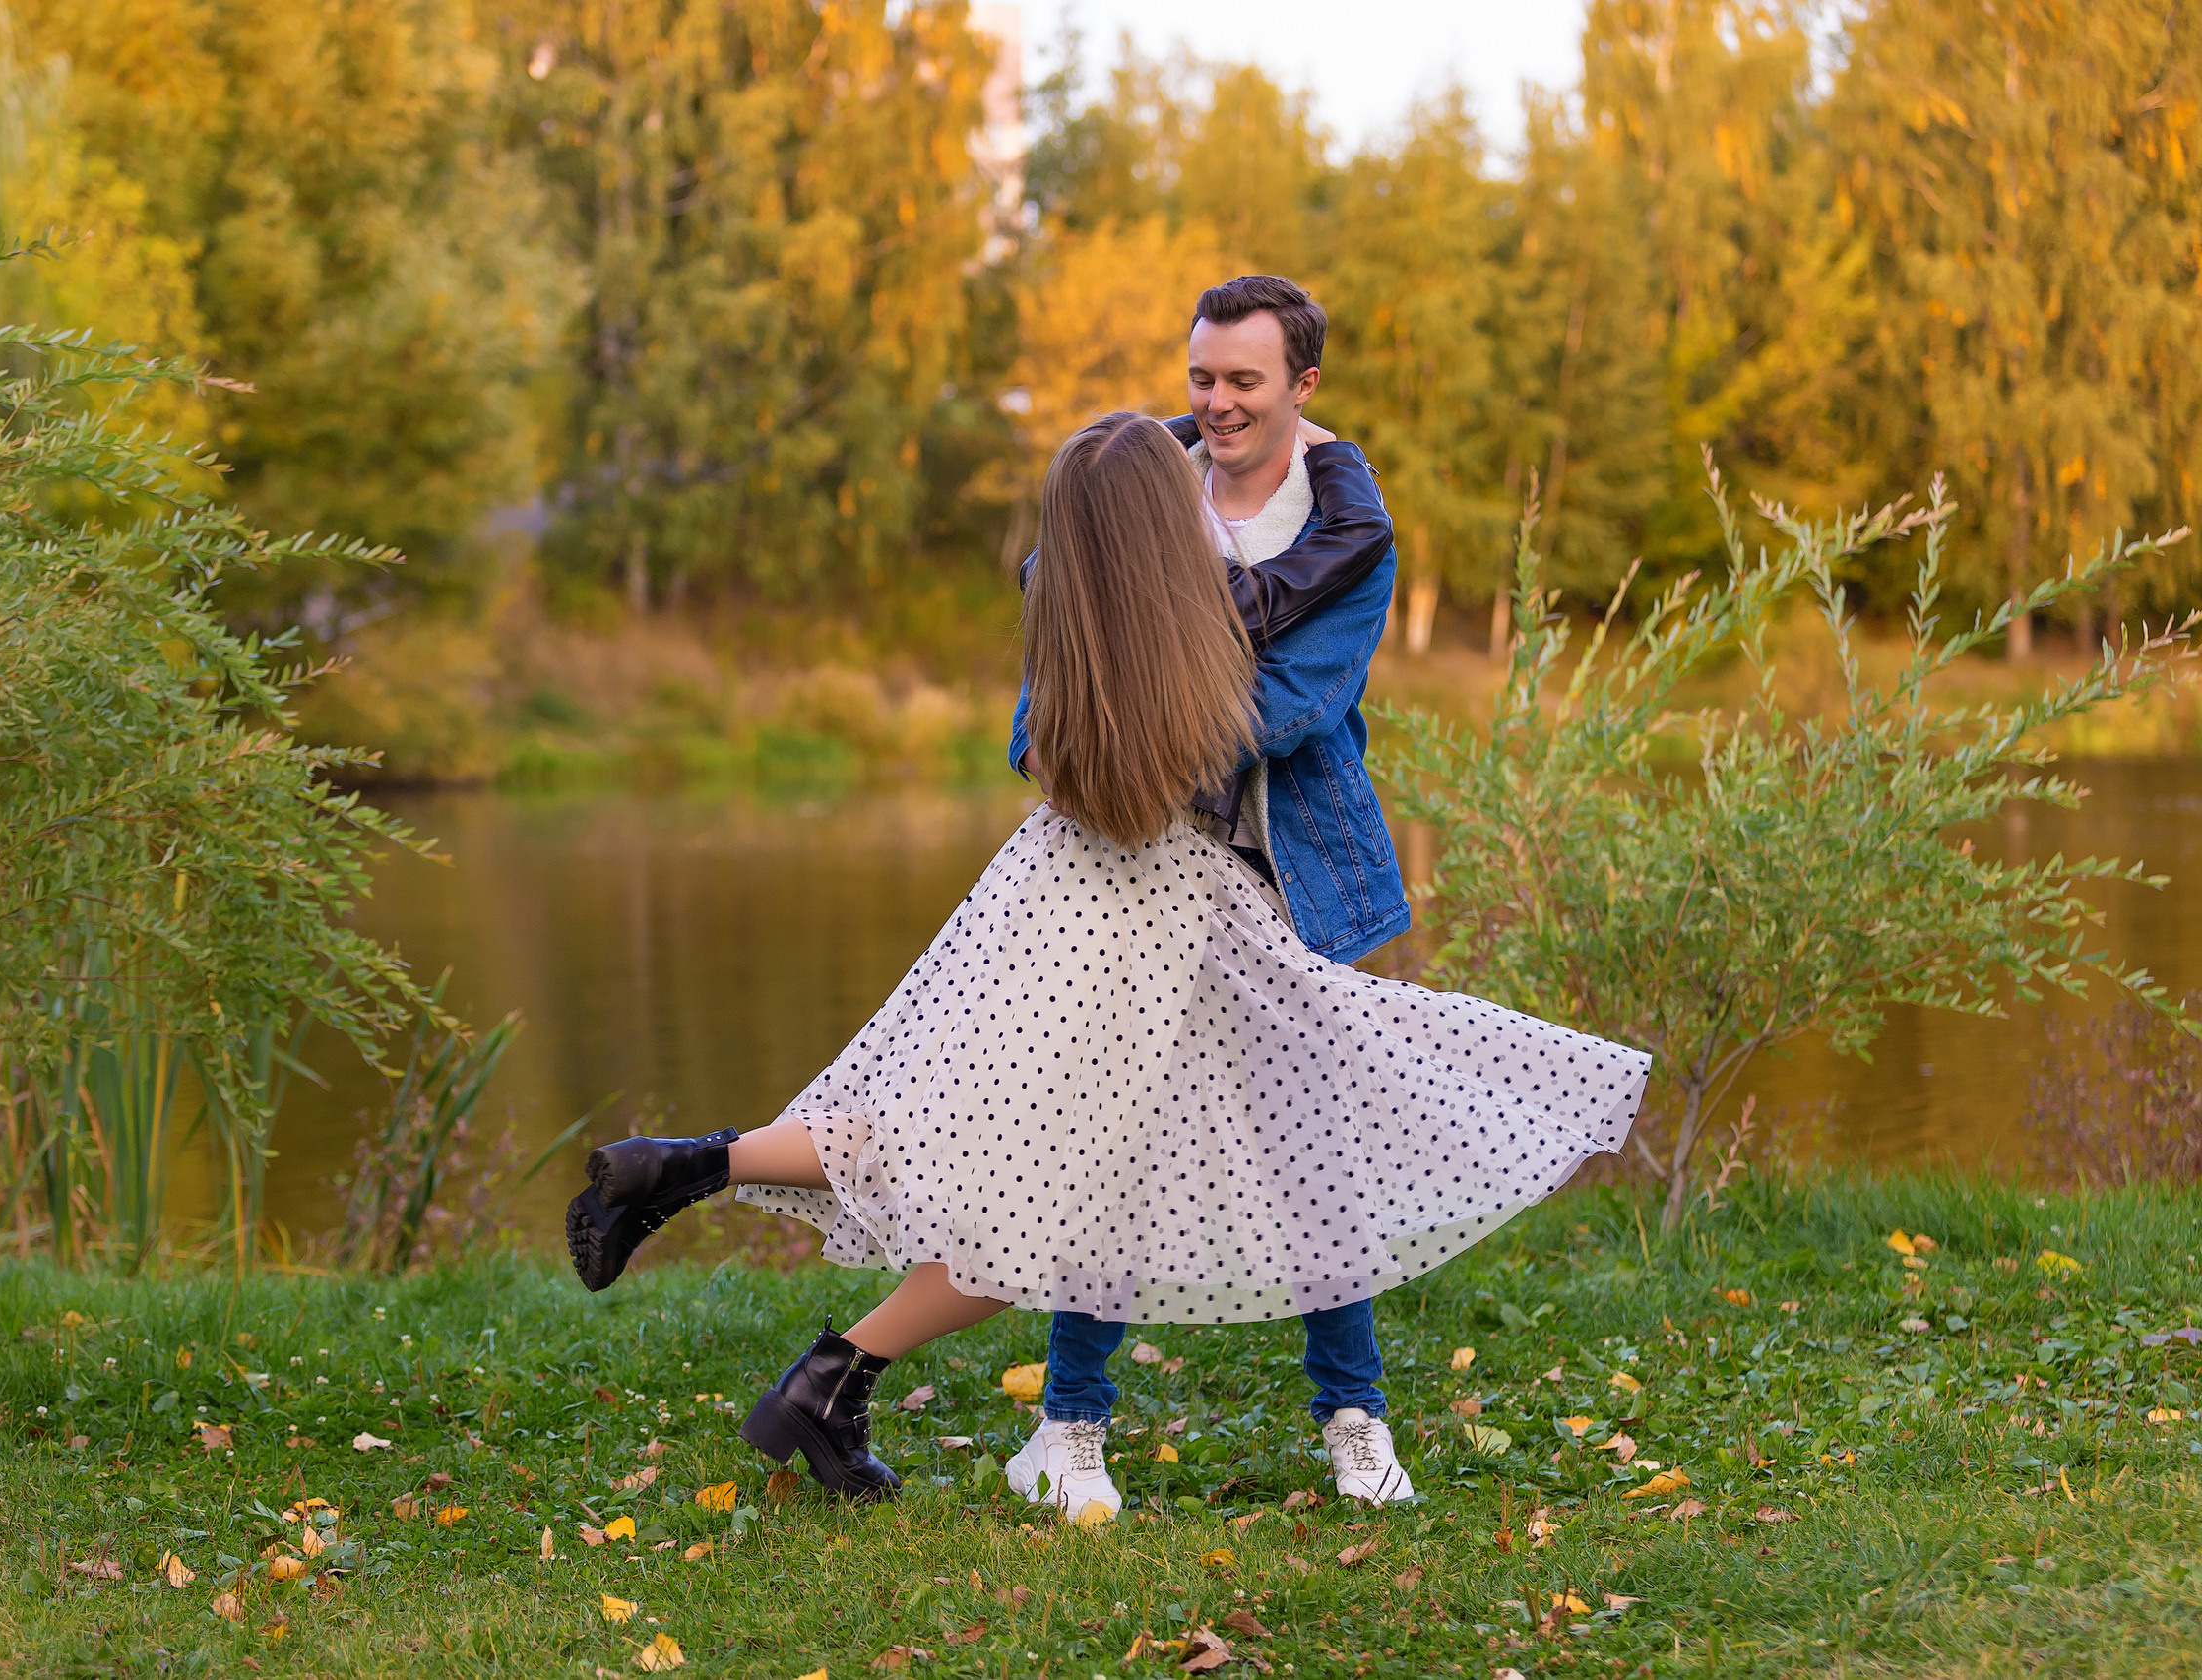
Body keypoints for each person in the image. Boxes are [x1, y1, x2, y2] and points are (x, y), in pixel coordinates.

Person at [564, 404, 1652, 1508]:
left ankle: (699, 1174)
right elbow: (1328, 571)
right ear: (1155, 533)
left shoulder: (1069, 611)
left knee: (931, 1137)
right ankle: (853, 1375)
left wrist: (1172, 436)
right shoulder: (1191, 647)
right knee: (1057, 1203)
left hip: (1038, 896)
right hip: (1152, 925)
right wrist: (1329, 458)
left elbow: (1048, 712)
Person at [1006, 275, 1425, 1519]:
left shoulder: (1346, 534)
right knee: (1111, 1149)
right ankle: (1068, 1430)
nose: (1217, 401)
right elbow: (1058, 664)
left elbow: (1292, 710)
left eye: (1244, 379)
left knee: (1313, 1155)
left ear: (1303, 387)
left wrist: (1134, 721)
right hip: (1131, 871)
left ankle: (1355, 1420)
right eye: (1201, 377)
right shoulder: (1133, 495)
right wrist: (1070, 741)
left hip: (1281, 872)